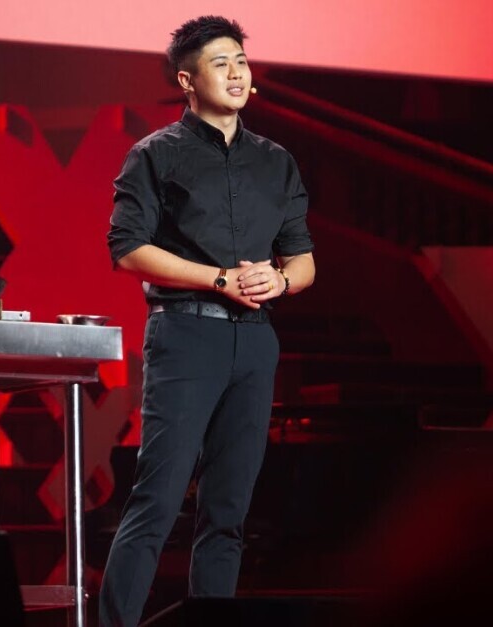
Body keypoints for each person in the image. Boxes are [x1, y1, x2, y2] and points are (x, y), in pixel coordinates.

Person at [100, 15, 316, 627]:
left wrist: (280, 281)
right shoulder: (155, 154)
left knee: (229, 512)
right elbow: (127, 249)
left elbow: (303, 261)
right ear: (187, 80)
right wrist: (218, 278)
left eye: (241, 62)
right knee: (158, 500)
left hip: (255, 342)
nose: (237, 73)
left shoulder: (276, 161)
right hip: (185, 335)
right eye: (221, 64)